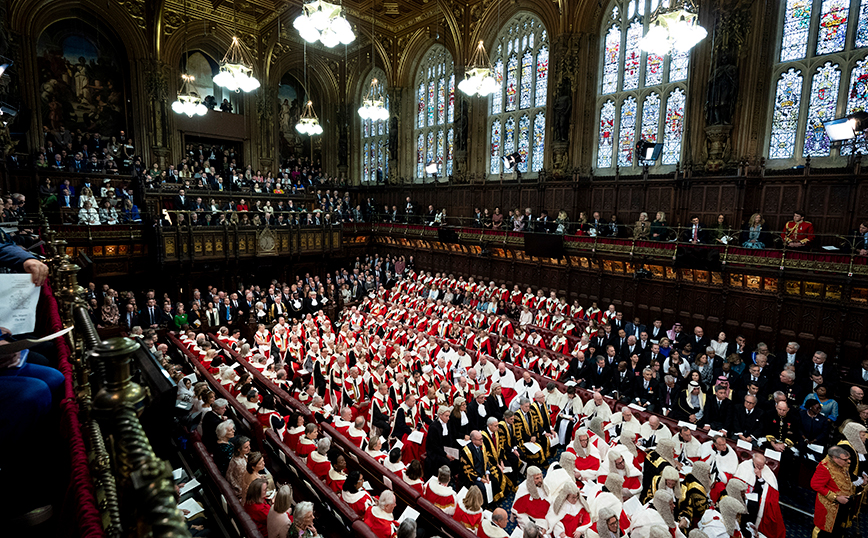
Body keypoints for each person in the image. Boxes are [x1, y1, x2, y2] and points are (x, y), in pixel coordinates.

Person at [811, 446, 856, 538]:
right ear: (835, 458)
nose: (849, 461)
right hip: (829, 508)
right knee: (824, 533)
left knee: (837, 531)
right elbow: (815, 485)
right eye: (845, 459)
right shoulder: (824, 468)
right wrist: (836, 497)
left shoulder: (842, 464)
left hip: (842, 505)